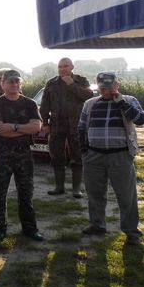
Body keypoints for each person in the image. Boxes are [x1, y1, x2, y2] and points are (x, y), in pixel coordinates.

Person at [78, 72, 144, 246]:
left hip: (120, 155)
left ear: (117, 85)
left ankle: (132, 232)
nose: (104, 90)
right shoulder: (90, 103)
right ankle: (97, 225)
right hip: (93, 156)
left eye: (108, 87)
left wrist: (121, 102)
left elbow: (140, 120)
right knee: (95, 194)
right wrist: (84, 150)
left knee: (126, 196)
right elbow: (81, 128)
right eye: (101, 87)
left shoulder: (129, 100)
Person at [0, 70, 44, 242]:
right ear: (3, 84)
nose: (14, 85)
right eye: (10, 82)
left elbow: (37, 127)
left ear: (21, 83)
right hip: (2, 153)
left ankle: (29, 228)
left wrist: (13, 127)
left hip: (24, 154)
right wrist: (24, 128)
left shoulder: (30, 104)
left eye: (17, 82)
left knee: (26, 193)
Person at [39, 58, 93, 198]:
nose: (62, 69)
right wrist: (45, 123)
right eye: (60, 66)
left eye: (65, 66)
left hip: (76, 126)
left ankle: (76, 189)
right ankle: (59, 187)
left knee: (77, 157)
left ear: (72, 67)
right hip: (56, 126)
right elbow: (44, 105)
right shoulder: (51, 83)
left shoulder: (81, 81)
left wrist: (71, 85)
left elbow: (88, 96)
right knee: (56, 156)